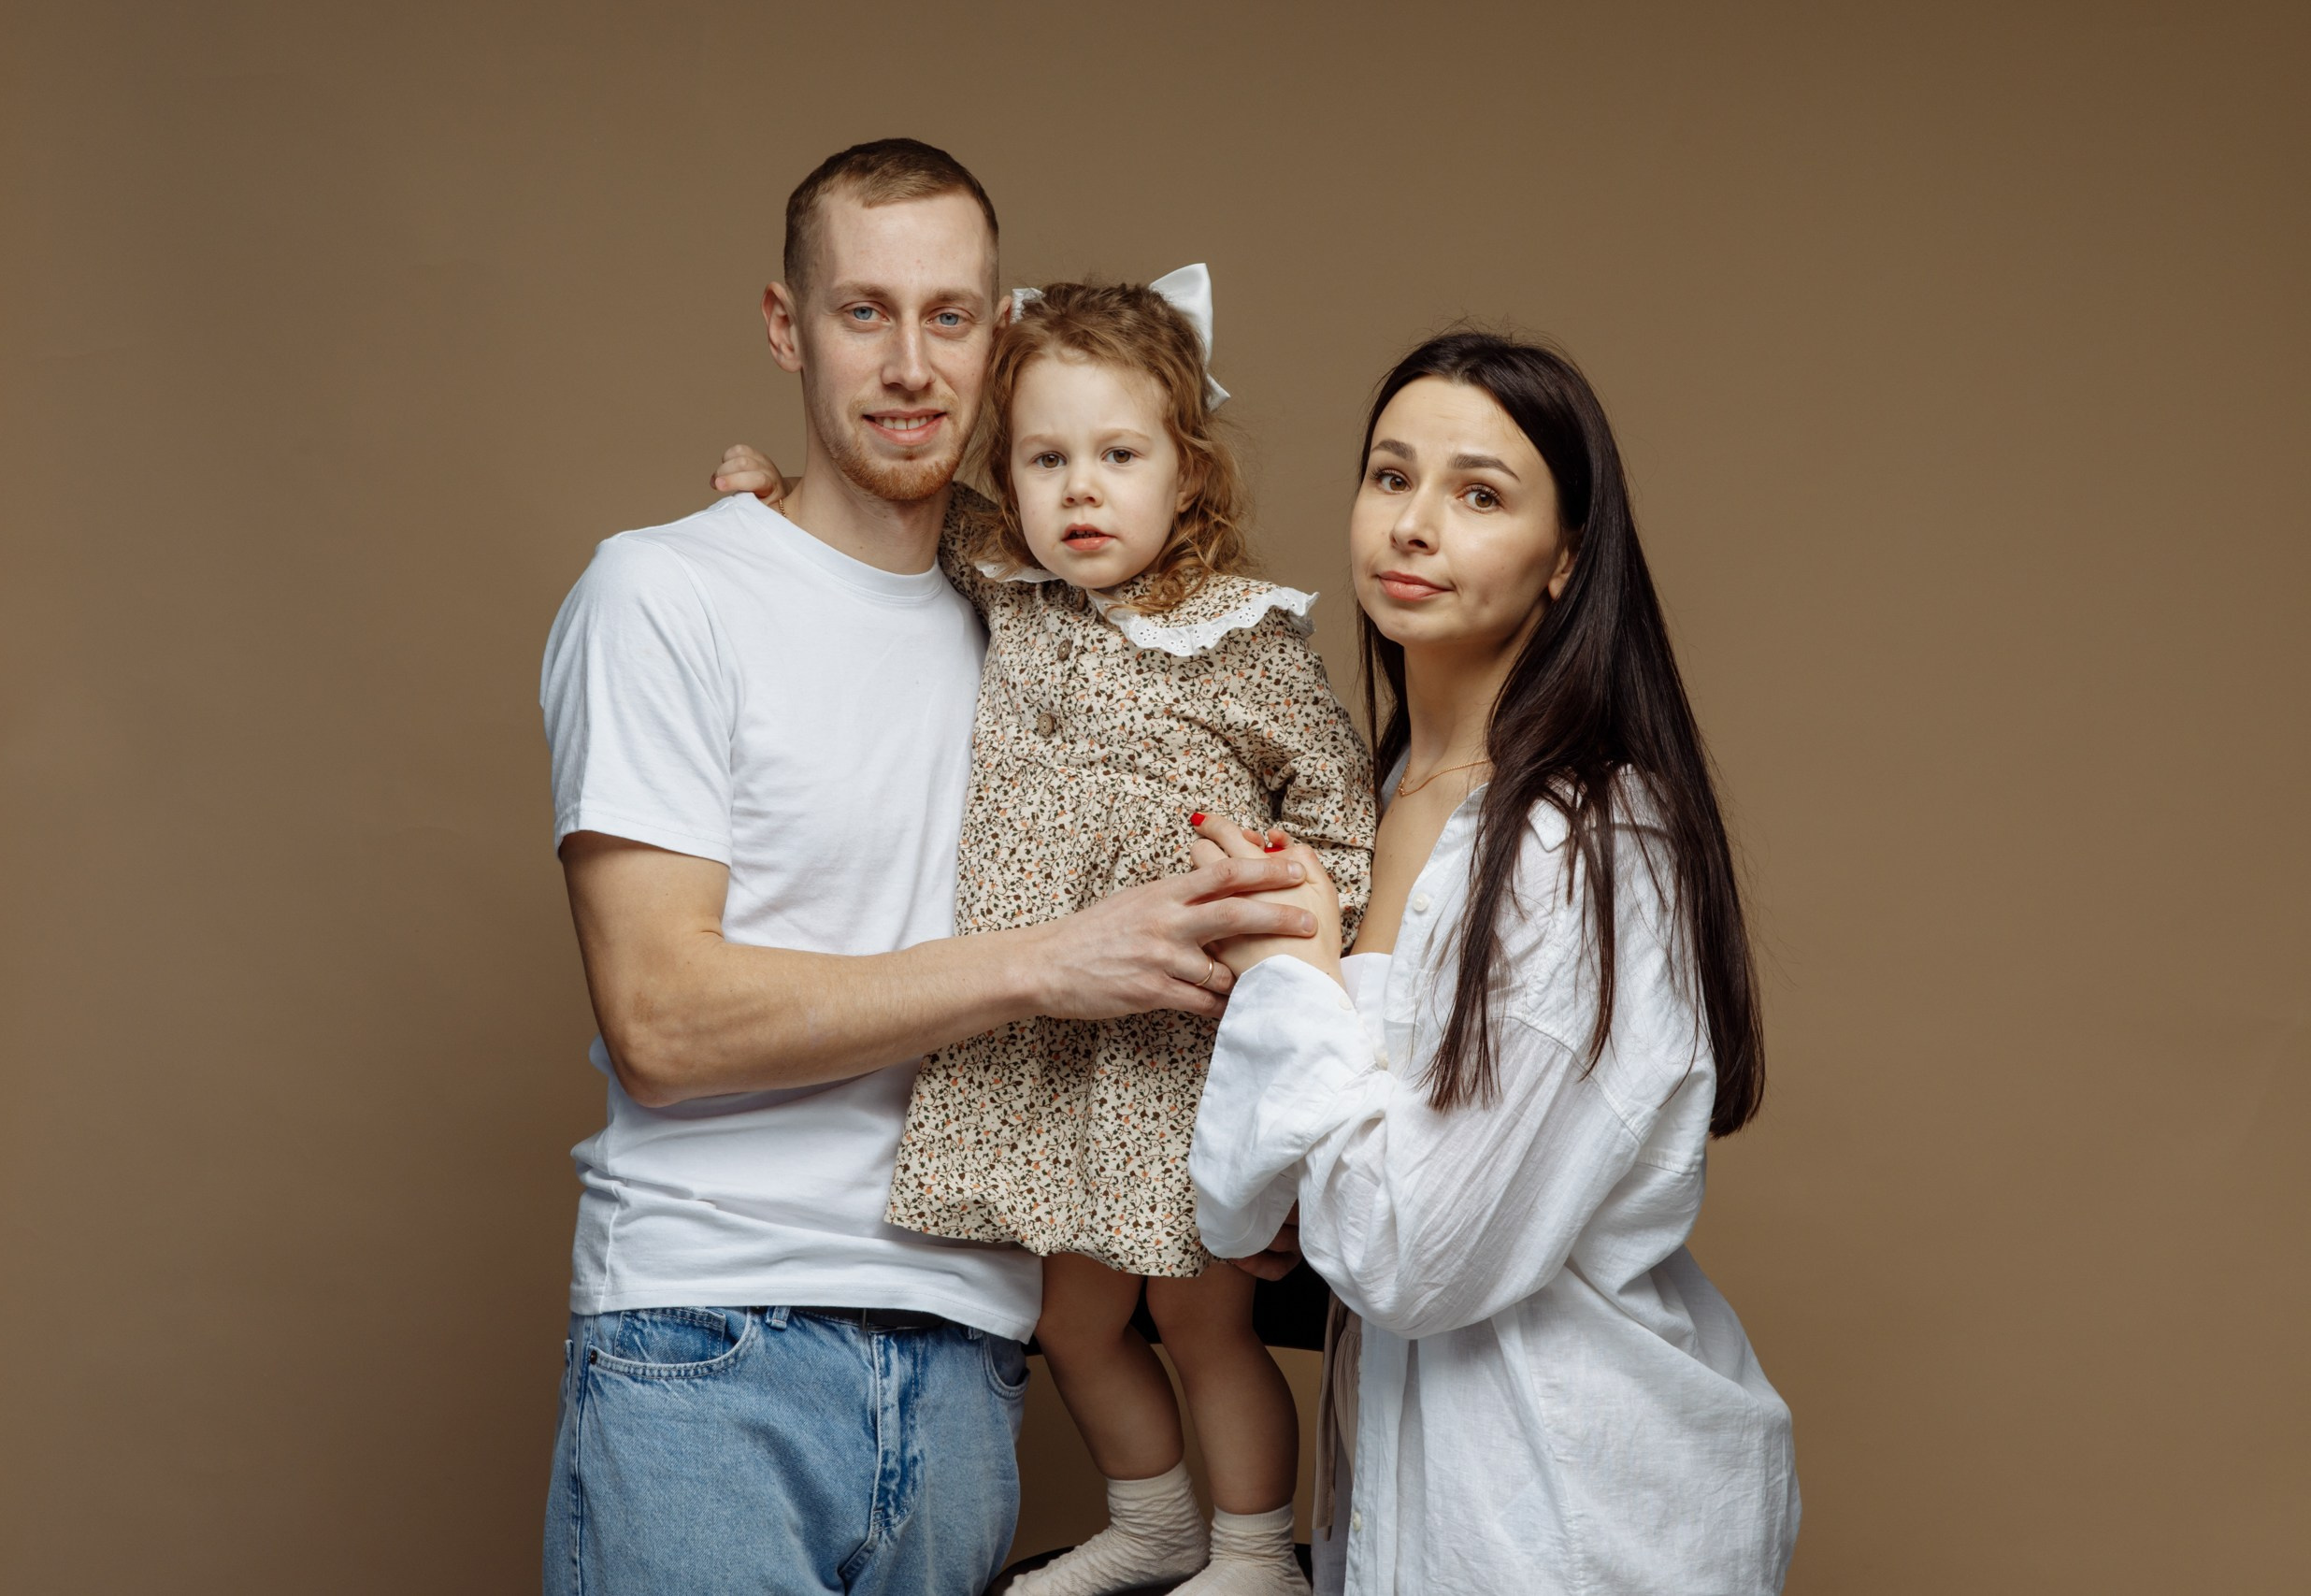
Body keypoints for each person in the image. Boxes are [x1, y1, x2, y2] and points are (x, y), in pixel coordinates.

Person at [537, 139, 1315, 1596]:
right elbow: (661, 1024)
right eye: (863, 312)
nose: (910, 363)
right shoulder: (664, 594)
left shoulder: (1043, 621)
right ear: (786, 327)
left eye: (950, 316)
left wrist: (1254, 1161)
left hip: (974, 1362)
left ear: (1002, 332)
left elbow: (1240, 880)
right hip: (712, 1344)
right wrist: (1047, 960)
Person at [725, 271, 1374, 1596]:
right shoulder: (1008, 585)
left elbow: (1344, 821)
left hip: (1180, 1052)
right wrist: (778, 494)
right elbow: (895, 507)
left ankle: (1254, 1550)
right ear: (1006, 476)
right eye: (1046, 458)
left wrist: (1285, 910)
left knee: (1201, 1318)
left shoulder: (1243, 642)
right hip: (1053, 1048)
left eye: (1118, 457)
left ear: (1186, 477)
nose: (1080, 490)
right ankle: (1157, 1520)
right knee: (1073, 1324)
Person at [1187, 333, 1802, 1594]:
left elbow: (1414, 1255)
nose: (1414, 526)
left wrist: (1297, 982)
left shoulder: (1588, 848)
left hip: (1573, 1520)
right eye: (1390, 476)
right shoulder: (1366, 801)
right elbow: (1243, 1212)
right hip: (1409, 1510)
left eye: (1479, 494)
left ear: (1566, 560)